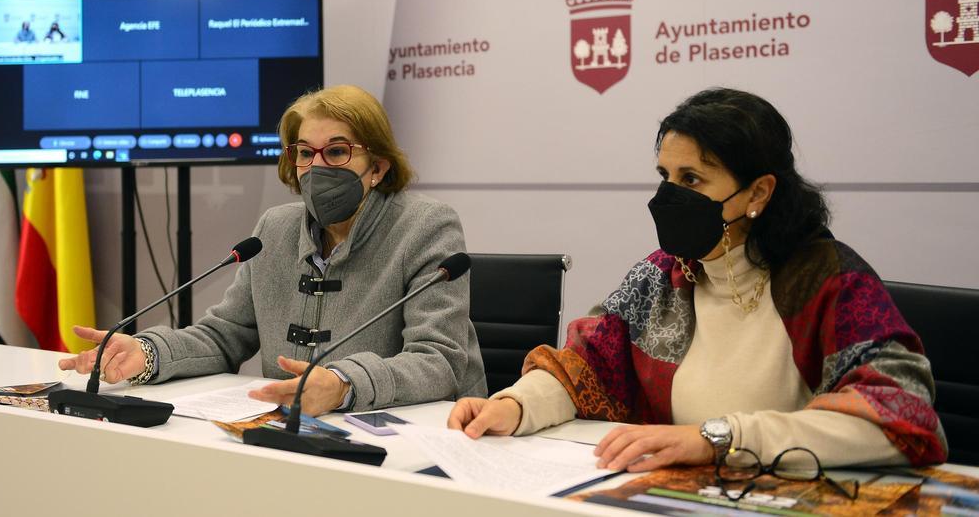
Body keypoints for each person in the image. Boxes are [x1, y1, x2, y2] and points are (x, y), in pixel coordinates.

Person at [448, 88, 947, 471]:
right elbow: (585, 369)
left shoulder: (827, 279)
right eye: (665, 176)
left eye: (691, 179)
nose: (669, 196)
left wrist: (720, 439)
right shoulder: (662, 275)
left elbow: (901, 416)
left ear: (759, 192)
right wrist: (516, 404)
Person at [60, 85, 487, 415]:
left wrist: (342, 385)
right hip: (293, 433)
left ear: (377, 167)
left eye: (337, 151)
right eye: (305, 153)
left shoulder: (426, 227)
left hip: (408, 438)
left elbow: (439, 362)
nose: (317, 167)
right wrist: (148, 353)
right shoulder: (276, 229)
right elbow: (225, 335)